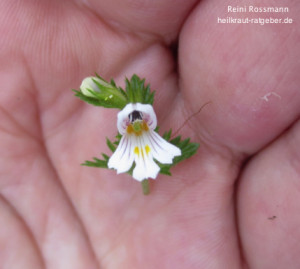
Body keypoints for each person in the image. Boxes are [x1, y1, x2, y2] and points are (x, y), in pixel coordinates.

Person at [0, 0, 299, 268]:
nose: (137, 125)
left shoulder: (142, 125)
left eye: (139, 123)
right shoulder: (131, 127)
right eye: (133, 124)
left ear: (145, 121)